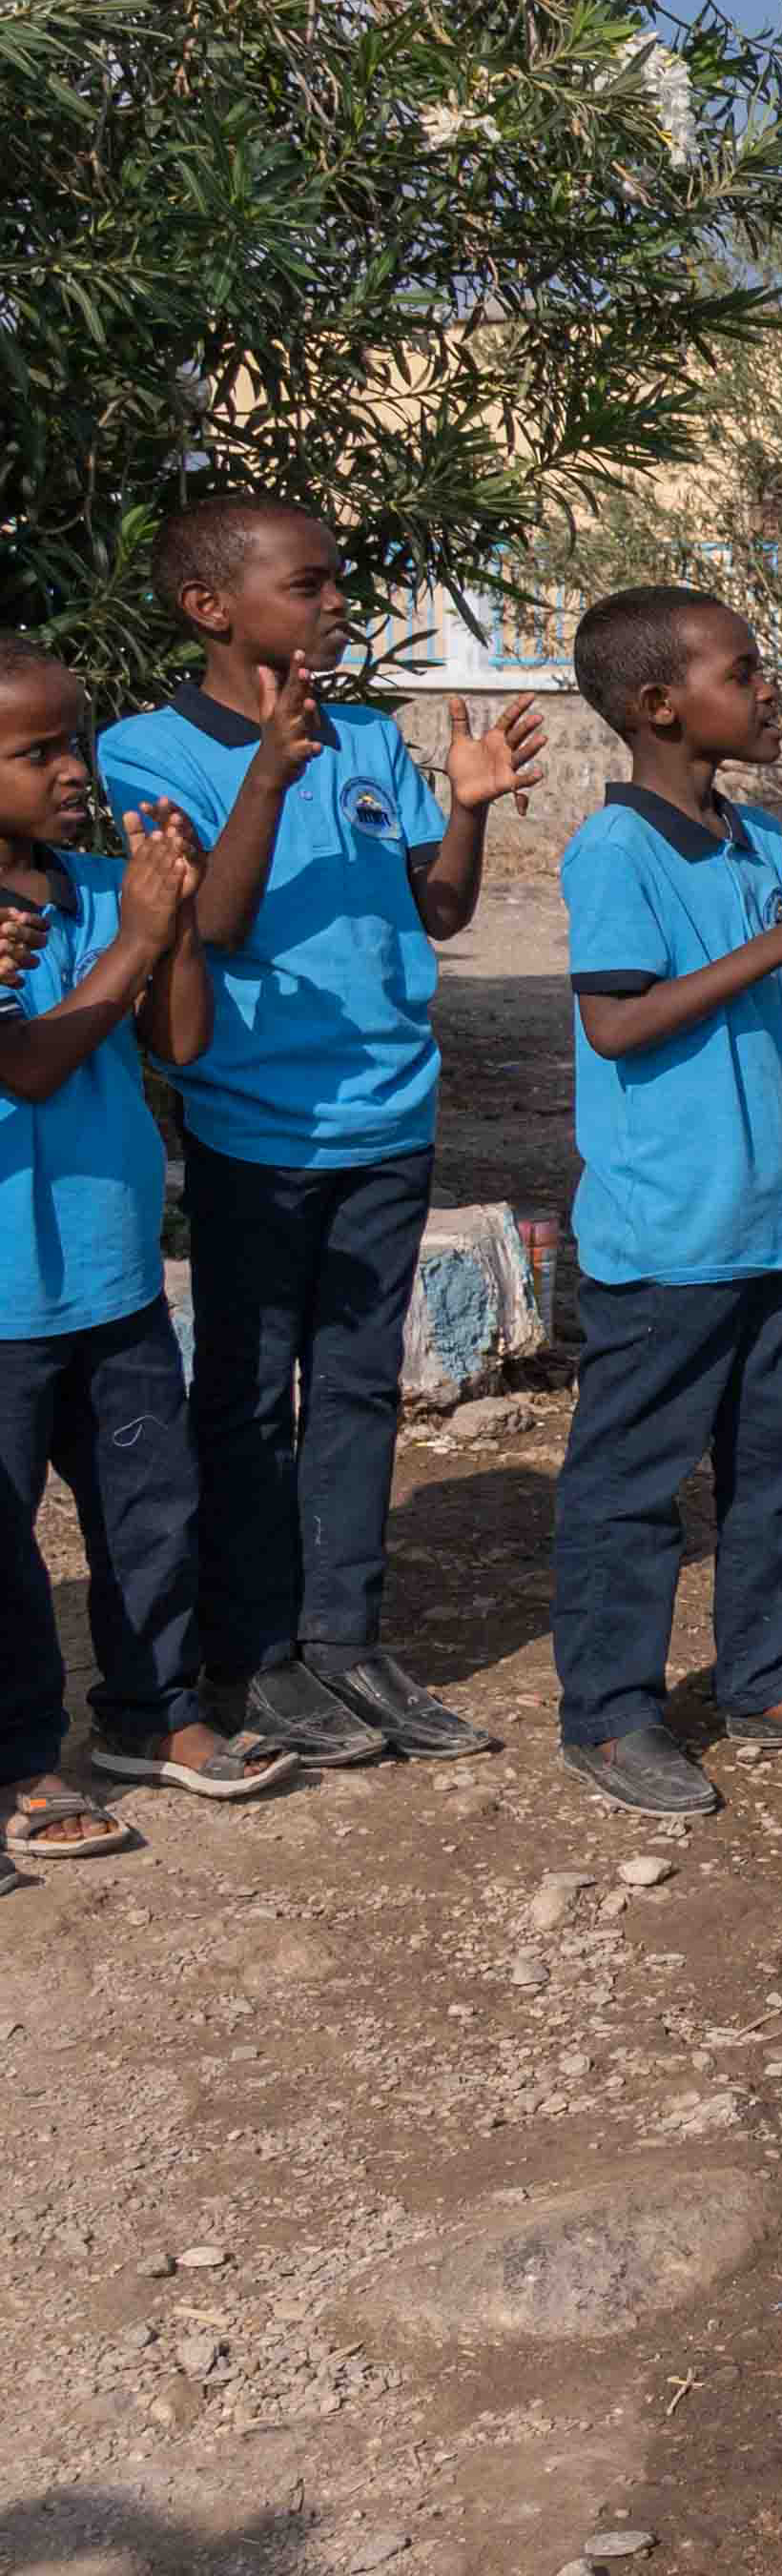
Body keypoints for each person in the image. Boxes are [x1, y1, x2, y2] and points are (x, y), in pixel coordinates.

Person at [107, 491, 532, 1768]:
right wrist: (269, 771)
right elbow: (214, 926)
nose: (340, 602)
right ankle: (258, 1654)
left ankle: (346, 1642)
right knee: (247, 1401)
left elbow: (440, 910)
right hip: (255, 1128)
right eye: (312, 584)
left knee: (355, 1392)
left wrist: (467, 806)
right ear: (212, 608)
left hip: (386, 1116)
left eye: (340, 580)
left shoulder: (363, 738)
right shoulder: (148, 752)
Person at [545, 589, 782, 1817]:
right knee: (635, 1483)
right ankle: (610, 1714)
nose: (769, 691)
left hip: (763, 1221)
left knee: (774, 1469)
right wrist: (778, 946)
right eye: (743, 672)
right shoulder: (616, 851)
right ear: (660, 705)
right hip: (664, 1235)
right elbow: (620, 1020)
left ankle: (764, 1675)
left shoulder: (751, 839)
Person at [0, 636, 275, 1851]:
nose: (73, 770)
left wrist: (174, 925)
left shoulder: (95, 885)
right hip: (6, 1295)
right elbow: (28, 1060)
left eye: (74, 740)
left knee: (149, 1505)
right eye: (36, 751)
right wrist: (133, 938)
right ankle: (16, 1762)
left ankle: (150, 1713)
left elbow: (183, 1044)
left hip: (107, 1271)